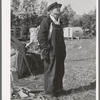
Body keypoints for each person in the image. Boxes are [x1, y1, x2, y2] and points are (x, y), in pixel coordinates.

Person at [38, 2, 66, 99]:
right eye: (56, 8)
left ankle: (58, 89)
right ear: (50, 11)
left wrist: (63, 49)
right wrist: (47, 48)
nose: (58, 9)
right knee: (51, 72)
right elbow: (41, 37)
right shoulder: (46, 21)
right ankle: (49, 92)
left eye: (59, 7)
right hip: (51, 51)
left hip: (60, 51)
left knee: (60, 70)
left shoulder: (59, 21)